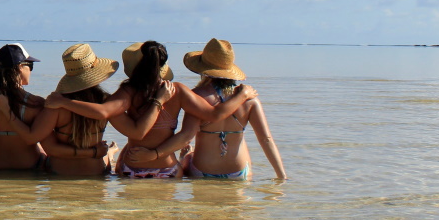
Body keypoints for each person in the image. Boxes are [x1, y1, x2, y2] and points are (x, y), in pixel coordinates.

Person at [48, 41, 258, 179]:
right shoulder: (177, 91)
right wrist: (242, 95)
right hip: (168, 169)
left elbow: (103, 112)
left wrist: (64, 102)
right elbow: (214, 114)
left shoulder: (127, 92)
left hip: (132, 168)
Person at [129, 39, 287, 180]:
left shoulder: (197, 96)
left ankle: (186, 157)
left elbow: (186, 136)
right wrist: (281, 176)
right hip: (238, 171)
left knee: (187, 158)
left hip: (203, 169)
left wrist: (155, 154)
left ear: (203, 69)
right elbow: (266, 140)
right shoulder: (249, 99)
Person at [16, 43, 172, 176]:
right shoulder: (106, 103)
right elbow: (137, 132)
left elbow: (50, 148)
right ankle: (110, 152)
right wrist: (158, 101)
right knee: (109, 153)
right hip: (95, 172)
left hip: (59, 172)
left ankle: (110, 152)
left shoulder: (55, 105)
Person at [0, 43, 48, 177]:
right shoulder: (35, 103)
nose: (30, 70)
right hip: (30, 165)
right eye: (30, 66)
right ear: (20, 67)